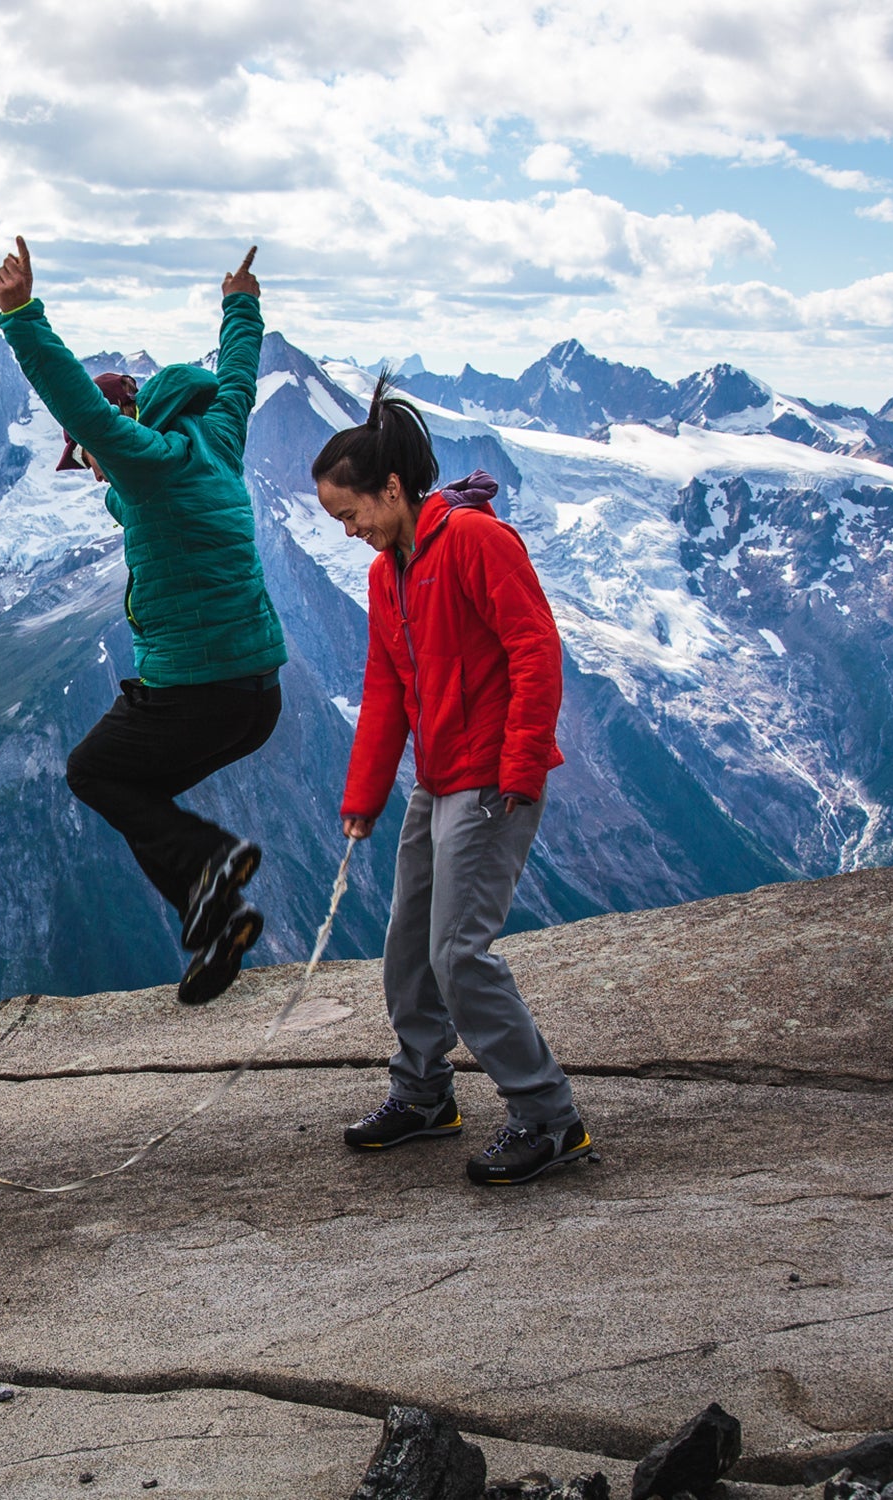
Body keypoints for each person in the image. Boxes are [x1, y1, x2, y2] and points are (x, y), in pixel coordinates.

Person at [0, 236, 286, 1005]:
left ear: (123, 423)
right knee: (139, 801)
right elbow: (238, 379)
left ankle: (211, 862)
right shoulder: (217, 436)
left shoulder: (145, 459)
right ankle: (216, 920)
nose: (91, 467)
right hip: (257, 695)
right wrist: (241, 305)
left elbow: (79, 405)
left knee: (94, 772)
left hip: (198, 687)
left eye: (87, 456)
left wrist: (21, 316)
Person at [315, 380, 593, 1186]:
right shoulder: (389, 573)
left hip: (491, 781)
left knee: (457, 954)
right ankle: (424, 1095)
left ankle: (549, 1117)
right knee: (409, 946)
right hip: (438, 782)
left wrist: (520, 768)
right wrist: (364, 799)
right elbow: (386, 689)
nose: (350, 531)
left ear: (391, 488)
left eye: (351, 514)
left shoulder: (474, 540)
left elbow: (535, 649)